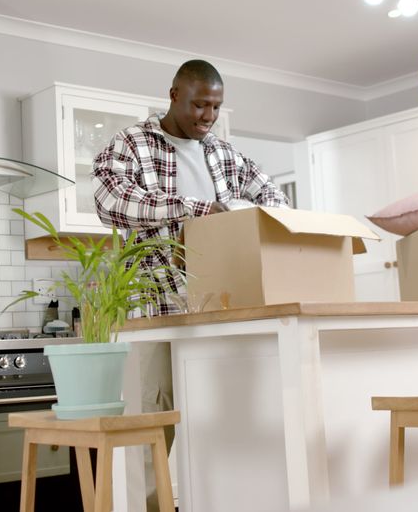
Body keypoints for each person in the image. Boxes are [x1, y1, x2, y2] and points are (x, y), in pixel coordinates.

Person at [91, 59, 290, 509]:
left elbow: (273, 198)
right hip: (155, 302)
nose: (208, 117)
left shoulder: (223, 154)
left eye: (216, 108)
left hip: (218, 303)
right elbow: (111, 200)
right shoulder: (132, 143)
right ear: (174, 94)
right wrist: (197, 209)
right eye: (200, 105)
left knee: (218, 414)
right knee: (153, 418)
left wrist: (240, 215)